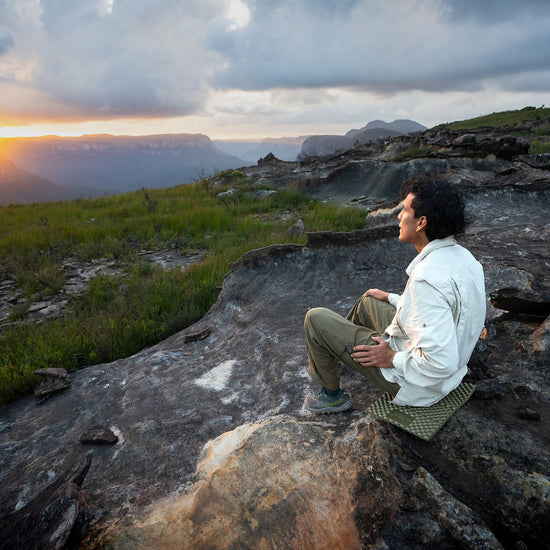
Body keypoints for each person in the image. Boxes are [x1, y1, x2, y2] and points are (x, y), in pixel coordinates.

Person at [303, 175, 486, 413]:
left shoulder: (427, 279)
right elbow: (442, 312)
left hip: (419, 384)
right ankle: (335, 352)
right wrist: (392, 297)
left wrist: (391, 358)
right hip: (445, 373)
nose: (399, 216)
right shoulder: (465, 259)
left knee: (315, 319)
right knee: (368, 301)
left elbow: (441, 362)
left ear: (421, 223)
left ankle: (332, 396)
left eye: (405, 210)